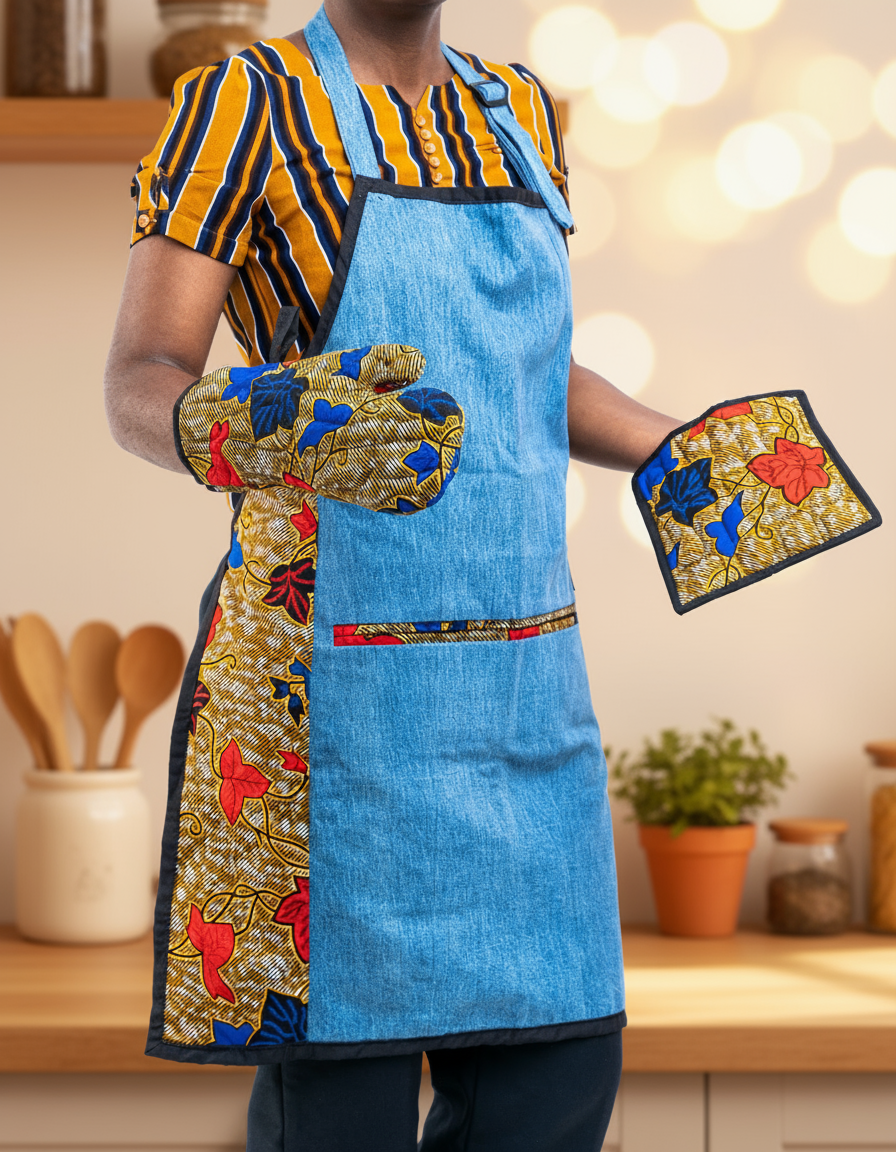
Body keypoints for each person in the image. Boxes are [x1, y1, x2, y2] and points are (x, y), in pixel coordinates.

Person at [105, 2, 680, 1148]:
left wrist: (680, 444)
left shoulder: (517, 111)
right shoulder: (243, 103)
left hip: (522, 697)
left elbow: (526, 372)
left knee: (558, 1092)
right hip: (335, 710)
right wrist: (263, 420)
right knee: (341, 1113)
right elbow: (140, 377)